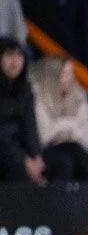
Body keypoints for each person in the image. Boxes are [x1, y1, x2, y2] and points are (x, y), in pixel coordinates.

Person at [31, 56, 88, 181]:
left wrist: (65, 134)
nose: (70, 78)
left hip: (75, 148)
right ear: (51, 76)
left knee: (79, 154)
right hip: (43, 152)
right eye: (64, 73)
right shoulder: (37, 98)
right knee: (65, 160)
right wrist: (71, 127)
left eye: (70, 73)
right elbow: (43, 136)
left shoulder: (78, 96)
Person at [0, 38, 45, 184]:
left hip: (21, 150)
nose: (15, 61)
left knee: (61, 161)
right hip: (6, 151)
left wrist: (37, 157)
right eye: (9, 55)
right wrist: (24, 161)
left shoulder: (25, 89)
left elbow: (30, 127)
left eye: (19, 55)